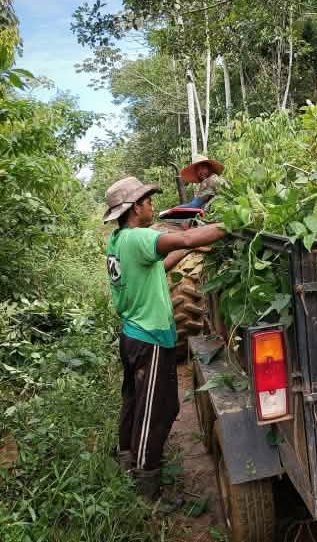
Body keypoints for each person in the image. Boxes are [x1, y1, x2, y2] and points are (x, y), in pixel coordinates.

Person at [103, 176, 224, 509]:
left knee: (134, 400)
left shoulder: (119, 240)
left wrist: (186, 249)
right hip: (150, 337)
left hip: (132, 334)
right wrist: (231, 225)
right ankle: (146, 489)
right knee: (156, 411)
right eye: (148, 200)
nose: (152, 205)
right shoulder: (140, 237)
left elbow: (157, 266)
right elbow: (184, 235)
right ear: (135, 208)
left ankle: (126, 456)